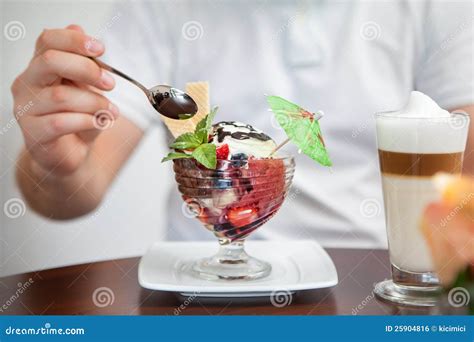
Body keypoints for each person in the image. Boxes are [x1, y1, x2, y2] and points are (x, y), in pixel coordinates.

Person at [11, 0, 473, 248]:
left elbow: (465, 179)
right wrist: (54, 159)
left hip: (377, 283)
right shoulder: (160, 8)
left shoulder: (435, 7)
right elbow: (73, 191)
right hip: (203, 288)